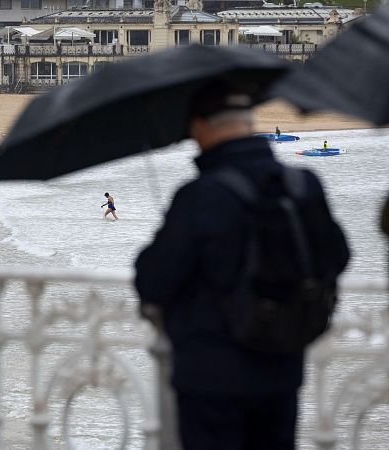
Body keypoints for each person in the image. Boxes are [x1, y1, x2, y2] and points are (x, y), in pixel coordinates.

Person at [135, 83, 350, 450]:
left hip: (210, 378)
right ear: (248, 123)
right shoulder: (302, 184)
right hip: (282, 365)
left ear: (200, 126)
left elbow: (153, 281)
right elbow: (338, 256)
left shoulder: (200, 195)